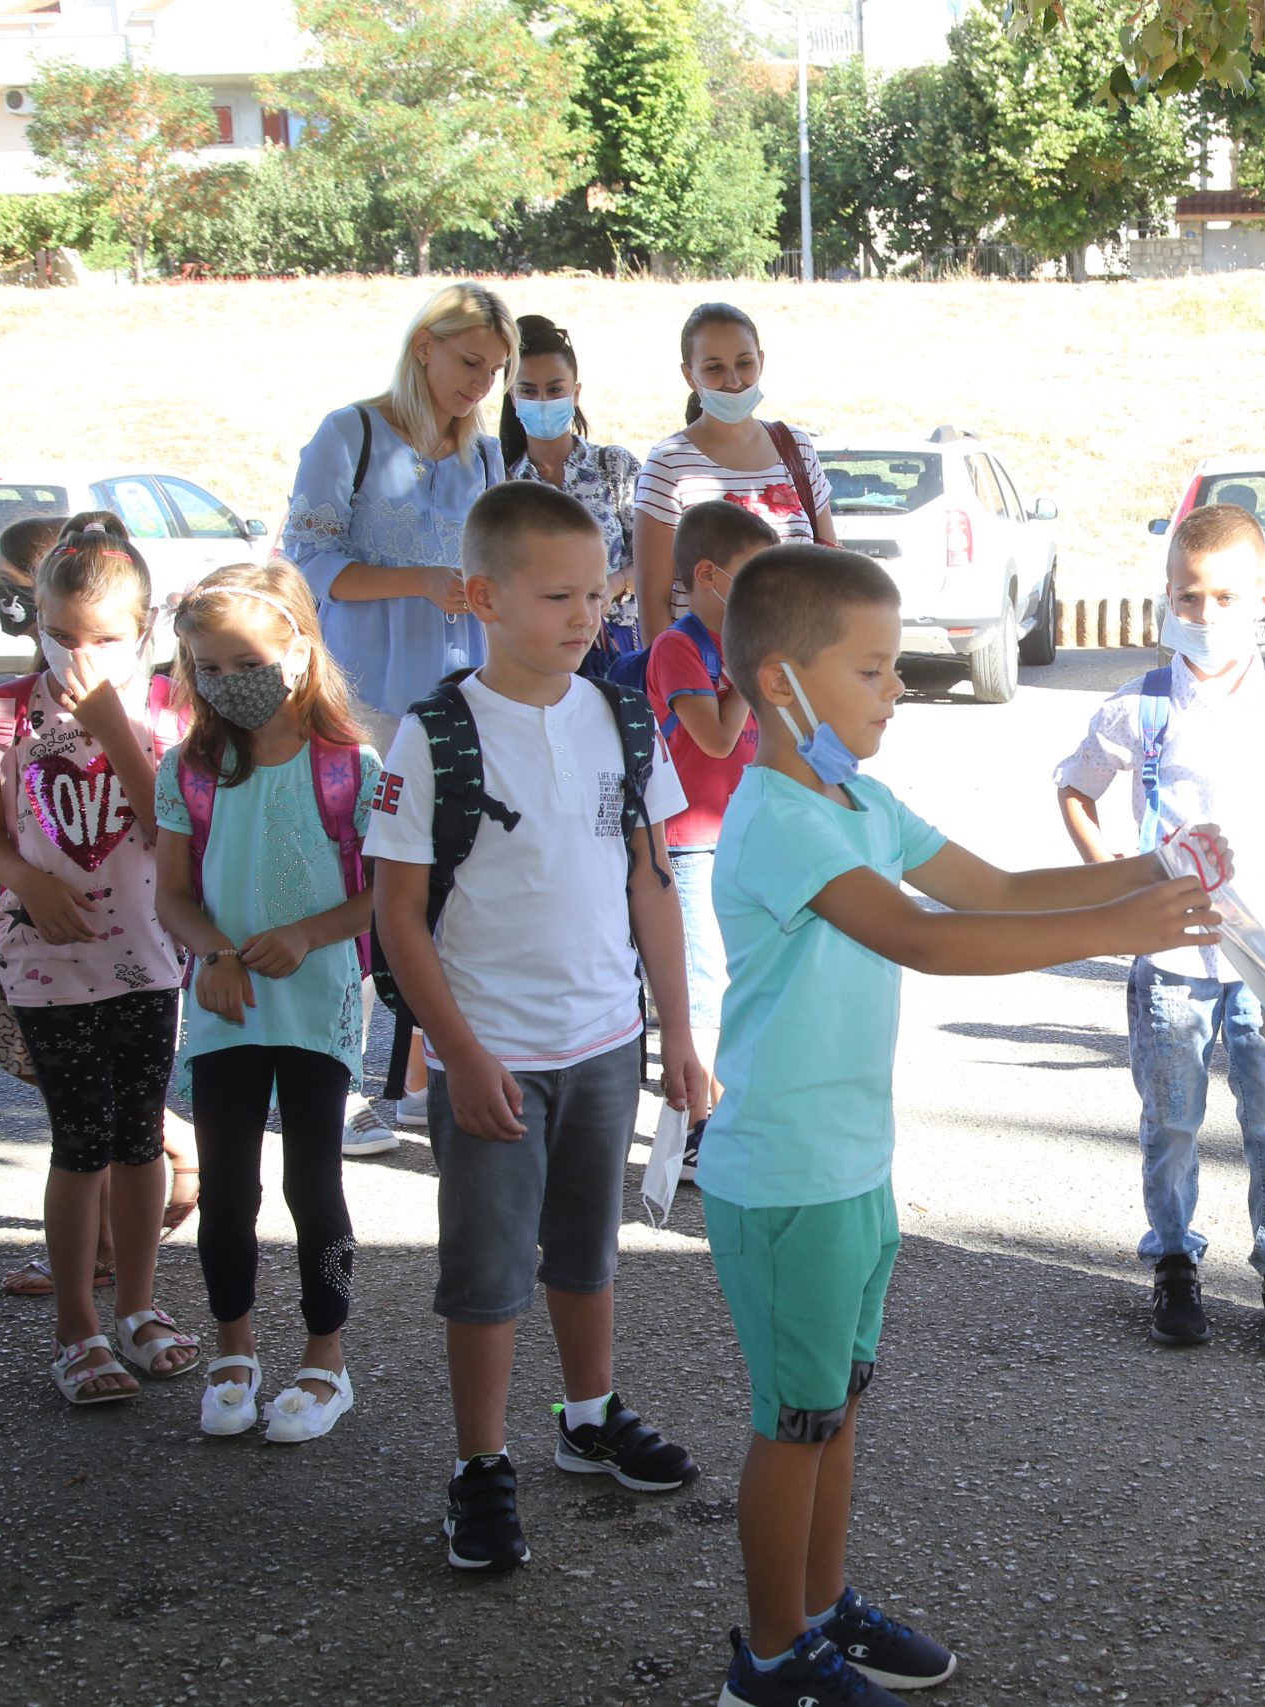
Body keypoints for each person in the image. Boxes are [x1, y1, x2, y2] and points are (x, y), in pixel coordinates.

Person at [698, 543, 1224, 1706]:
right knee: (793, 1423)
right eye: (874, 668)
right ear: (782, 681)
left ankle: (819, 1614)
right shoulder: (784, 819)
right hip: (786, 1180)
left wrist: (1156, 869)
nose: (896, 689)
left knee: (833, 1410)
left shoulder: (861, 800)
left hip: (849, 1171)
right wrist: (1122, 929)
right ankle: (770, 1662)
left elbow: (993, 891)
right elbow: (927, 941)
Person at [366, 480, 709, 1572]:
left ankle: (587, 1415)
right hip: (492, 1056)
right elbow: (397, 916)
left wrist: (678, 1039)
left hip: (605, 1039)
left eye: (600, 596)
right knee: (486, 1272)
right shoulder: (432, 739)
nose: (587, 618)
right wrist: (458, 1053)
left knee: (587, 1248)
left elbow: (653, 883)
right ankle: (478, 1466)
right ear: (479, 597)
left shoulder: (621, 715)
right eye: (556, 595)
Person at [1054, 504, 1265, 1352]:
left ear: (1264, 597)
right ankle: (1174, 1258)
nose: (1205, 615)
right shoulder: (1138, 707)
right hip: (1172, 962)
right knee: (1171, 1120)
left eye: (1224, 597)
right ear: (1166, 598)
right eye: (1188, 597)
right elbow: (1075, 787)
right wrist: (1120, 885)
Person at [0, 516, 203, 1405]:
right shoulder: (7, 709)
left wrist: (110, 721)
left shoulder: (167, 711)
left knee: (141, 1133)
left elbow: (166, 824)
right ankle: (78, 1325)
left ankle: (138, 1306)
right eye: (60, 636)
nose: (78, 657)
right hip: (45, 960)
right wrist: (30, 877)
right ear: (37, 621)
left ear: (143, 631)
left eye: (103, 639)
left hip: (146, 956)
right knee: (81, 1139)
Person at [283, 281, 516, 1153]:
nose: (479, 386)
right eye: (468, 364)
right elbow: (307, 560)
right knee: (353, 881)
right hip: (366, 697)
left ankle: (417, 1079)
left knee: (442, 886)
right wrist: (419, 581)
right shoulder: (350, 431)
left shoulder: (486, 455)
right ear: (424, 347)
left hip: (458, 695)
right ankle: (334, 1070)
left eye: (493, 372)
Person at [154, 563, 380, 1442]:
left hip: (316, 1009)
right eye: (204, 665)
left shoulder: (349, 768)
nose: (223, 681)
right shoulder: (192, 769)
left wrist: (312, 932)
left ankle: (327, 1357)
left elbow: (386, 896)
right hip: (226, 1011)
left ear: (297, 647)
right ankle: (233, 1348)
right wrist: (212, 949)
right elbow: (172, 892)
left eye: (241, 659)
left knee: (313, 1182)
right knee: (230, 1188)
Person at [644, 499, 778, 1125]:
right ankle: (701, 1122)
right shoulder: (678, 647)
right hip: (688, 838)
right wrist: (749, 675)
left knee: (740, 975)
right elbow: (718, 738)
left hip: (739, 829)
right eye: (749, 577)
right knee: (703, 984)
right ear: (707, 576)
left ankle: (726, 1111)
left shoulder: (734, 645)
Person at [633, 302, 839, 633]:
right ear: (689, 376)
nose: (733, 381)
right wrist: (671, 682)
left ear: (761, 360)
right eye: (714, 368)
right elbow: (652, 599)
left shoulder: (796, 447)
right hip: (705, 679)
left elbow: (830, 564)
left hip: (799, 666)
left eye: (744, 363)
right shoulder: (668, 463)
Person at [501, 313, 645, 672]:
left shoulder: (615, 466)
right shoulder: (501, 483)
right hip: (535, 653)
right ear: (512, 397)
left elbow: (659, 559)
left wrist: (616, 583)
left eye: (555, 389)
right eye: (528, 391)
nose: (543, 401)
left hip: (618, 647)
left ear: (575, 393)